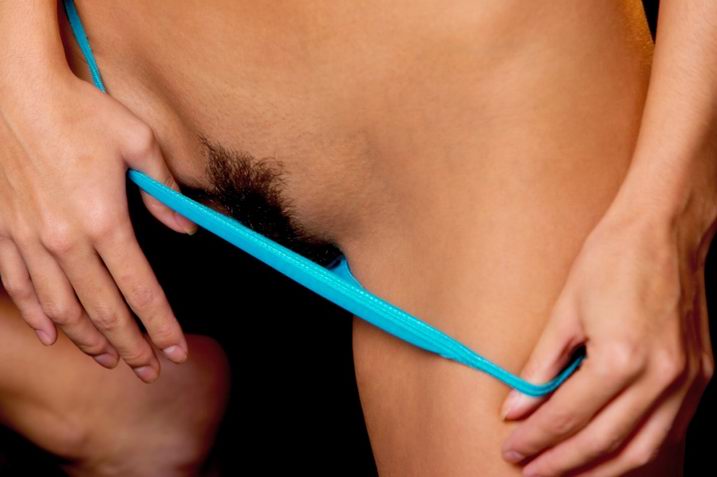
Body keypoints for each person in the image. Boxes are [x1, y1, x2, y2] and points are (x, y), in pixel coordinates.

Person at [0, 1, 715, 475]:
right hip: (99, 47)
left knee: (576, 429)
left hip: (473, 118)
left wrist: (668, 214)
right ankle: (87, 402)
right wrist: (19, 78)